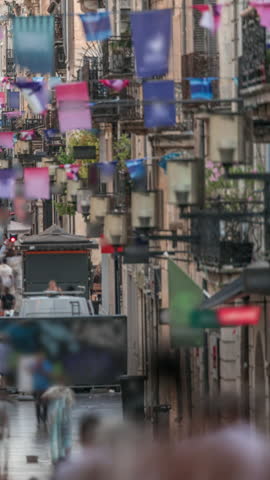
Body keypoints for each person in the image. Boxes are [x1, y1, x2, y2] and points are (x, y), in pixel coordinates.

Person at [42, 376, 75, 466]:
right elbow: (71, 403)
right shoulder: (68, 391)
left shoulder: (53, 390)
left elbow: (44, 397)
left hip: (54, 416)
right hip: (65, 416)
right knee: (66, 436)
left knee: (54, 437)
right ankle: (64, 457)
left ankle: (55, 458)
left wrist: (52, 397)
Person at [30, 353, 53, 426]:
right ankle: (38, 421)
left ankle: (44, 419)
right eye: (38, 356)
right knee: (37, 404)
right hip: (36, 387)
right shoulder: (34, 364)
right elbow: (31, 372)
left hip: (45, 387)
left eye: (41, 356)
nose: (39, 358)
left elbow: (49, 375)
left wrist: (41, 369)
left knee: (45, 404)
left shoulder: (47, 364)